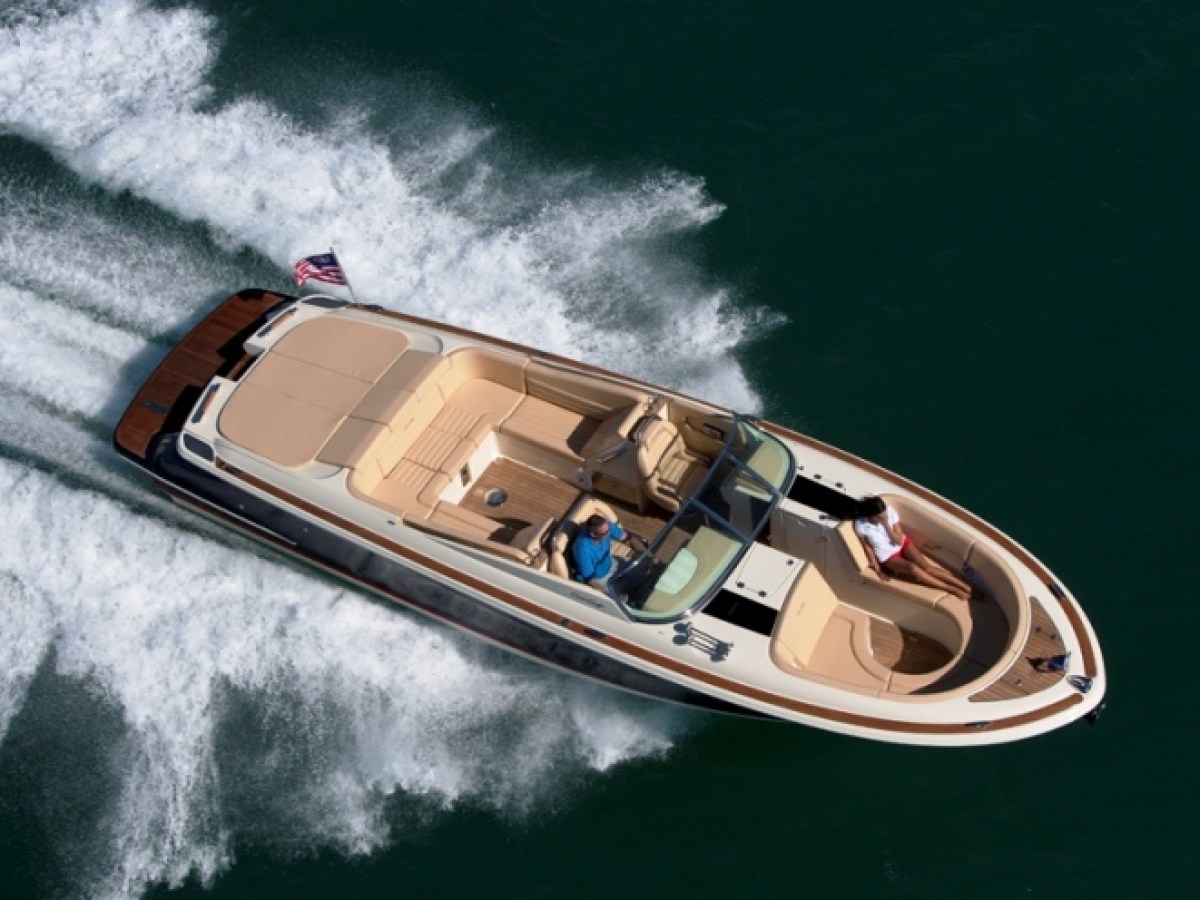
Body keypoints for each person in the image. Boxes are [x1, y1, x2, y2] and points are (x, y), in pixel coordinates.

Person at [853, 496, 978, 601]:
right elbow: (868, 548)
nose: (883, 518)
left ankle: (965, 586)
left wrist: (886, 524)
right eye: (879, 517)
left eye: (884, 515)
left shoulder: (889, 512)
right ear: (870, 516)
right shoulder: (861, 525)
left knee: (927, 568)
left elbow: (898, 540)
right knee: (914, 569)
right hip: (887, 556)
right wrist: (878, 569)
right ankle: (953, 589)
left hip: (902, 543)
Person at [571, 513, 646, 595]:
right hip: (600, 578)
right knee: (622, 600)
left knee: (644, 570)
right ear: (593, 534)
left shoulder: (606, 527)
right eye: (605, 533)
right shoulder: (583, 549)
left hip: (612, 563)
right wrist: (607, 596)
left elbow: (628, 538)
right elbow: (589, 579)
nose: (609, 533)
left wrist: (645, 553)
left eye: (609, 530)